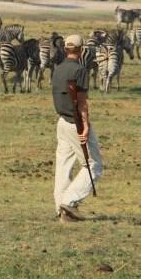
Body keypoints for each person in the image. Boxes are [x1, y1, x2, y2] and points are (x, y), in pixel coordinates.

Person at [50, 34, 103, 223]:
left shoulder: (58, 69)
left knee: (63, 166)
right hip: (75, 123)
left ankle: (60, 208)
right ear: (81, 50)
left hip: (62, 122)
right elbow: (81, 102)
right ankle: (69, 202)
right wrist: (85, 125)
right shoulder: (80, 70)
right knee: (94, 165)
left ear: (66, 49)